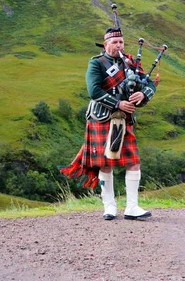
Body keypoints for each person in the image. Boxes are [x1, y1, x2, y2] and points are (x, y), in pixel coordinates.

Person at [60, 27, 156, 220]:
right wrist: (118, 103)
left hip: (124, 119)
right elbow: (94, 91)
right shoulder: (96, 63)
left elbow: (149, 84)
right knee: (105, 164)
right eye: (114, 42)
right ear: (105, 45)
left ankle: (132, 207)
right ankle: (109, 206)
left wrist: (143, 94)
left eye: (121, 42)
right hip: (102, 118)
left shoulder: (130, 62)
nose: (119, 45)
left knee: (133, 162)